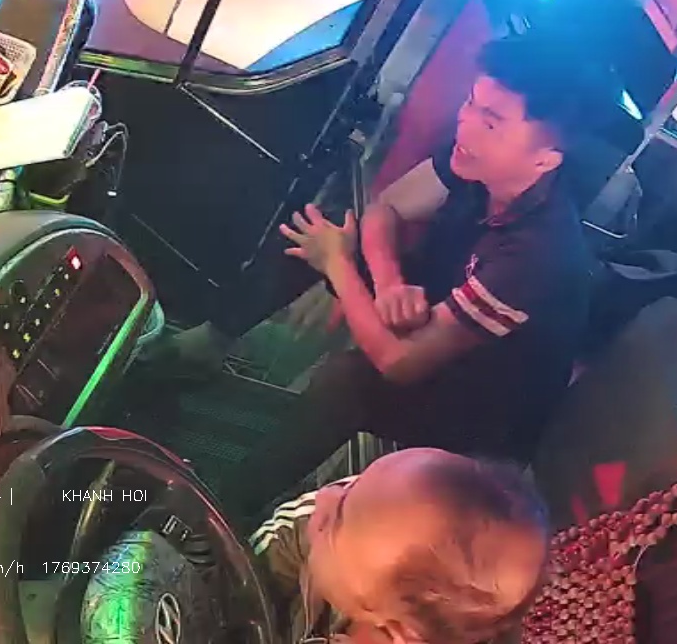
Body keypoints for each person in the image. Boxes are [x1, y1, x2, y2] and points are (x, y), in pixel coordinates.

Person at [155, 34, 614, 516]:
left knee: (350, 379)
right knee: (320, 229)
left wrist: (338, 265)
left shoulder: (536, 257)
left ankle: (215, 510)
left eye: (491, 122)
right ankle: (205, 346)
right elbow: (386, 208)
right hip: (434, 309)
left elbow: (399, 362)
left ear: (545, 159)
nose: (467, 124)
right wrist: (389, 280)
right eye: (471, 104)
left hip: (480, 414)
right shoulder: (474, 160)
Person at [251, 448, 549, 644]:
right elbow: (259, 564)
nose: (325, 496)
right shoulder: (376, 509)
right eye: (355, 485)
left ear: (400, 630)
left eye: (334, 520)